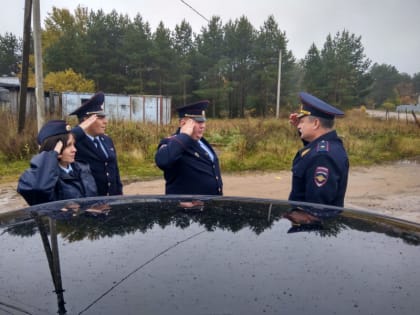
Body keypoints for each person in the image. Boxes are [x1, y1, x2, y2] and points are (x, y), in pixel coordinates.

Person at [288, 92, 349, 207]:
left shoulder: (322, 157)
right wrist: (301, 127)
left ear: (316, 123)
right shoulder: (330, 145)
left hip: (308, 224)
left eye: (302, 122)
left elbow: (316, 209)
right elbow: (312, 149)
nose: (299, 126)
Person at [17, 120, 97, 206]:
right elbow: (38, 189)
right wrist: (52, 155)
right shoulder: (43, 177)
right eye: (68, 145)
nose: (74, 149)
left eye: (74, 144)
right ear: (56, 147)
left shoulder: (82, 168)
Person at [155, 100, 223, 195]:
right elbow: (163, 161)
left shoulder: (202, 142)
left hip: (210, 204)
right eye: (198, 122)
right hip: (187, 208)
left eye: (203, 122)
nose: (202, 126)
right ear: (183, 123)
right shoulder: (172, 142)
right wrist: (184, 135)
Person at [69, 92, 123, 196]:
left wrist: (119, 197)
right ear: (86, 120)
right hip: (91, 204)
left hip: (111, 202)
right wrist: (80, 129)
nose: (105, 121)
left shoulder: (107, 140)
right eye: (100, 118)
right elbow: (62, 141)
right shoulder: (75, 143)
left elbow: (115, 172)